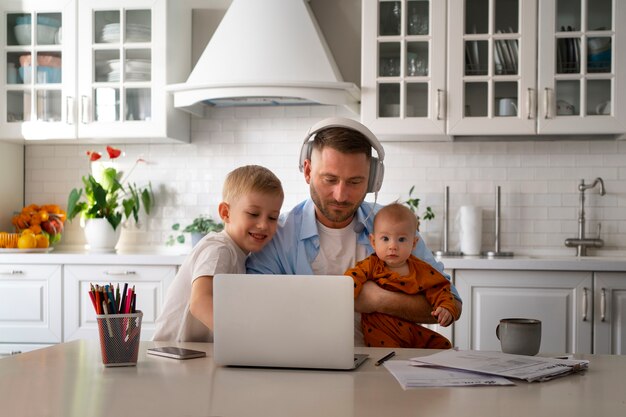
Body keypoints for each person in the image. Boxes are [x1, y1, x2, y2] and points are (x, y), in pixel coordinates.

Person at [247, 117, 462, 345]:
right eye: (330, 179)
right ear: (308, 171)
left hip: (386, 365)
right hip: (302, 364)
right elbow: (251, 307)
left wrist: (379, 300)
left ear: (372, 182)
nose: (341, 195)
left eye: (355, 182)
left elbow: (453, 304)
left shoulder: (393, 228)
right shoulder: (278, 235)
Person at [153, 165, 284, 342]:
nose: (263, 224)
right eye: (253, 214)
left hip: (191, 354)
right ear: (225, 213)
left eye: (272, 217)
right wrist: (241, 339)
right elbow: (199, 303)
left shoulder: (240, 255)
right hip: (173, 353)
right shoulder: (219, 249)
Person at [345, 203, 459, 348]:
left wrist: (446, 307)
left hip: (410, 331)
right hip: (380, 333)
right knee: (389, 357)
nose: (393, 246)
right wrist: (346, 297)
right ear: (373, 242)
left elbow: (439, 287)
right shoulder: (371, 265)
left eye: (401, 239)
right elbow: (351, 278)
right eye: (385, 239)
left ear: (414, 243)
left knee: (443, 344)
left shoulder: (421, 270)